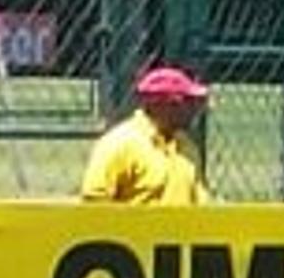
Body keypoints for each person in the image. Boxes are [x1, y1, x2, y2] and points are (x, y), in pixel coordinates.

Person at [78, 65, 213, 205]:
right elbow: (95, 199)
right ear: (160, 104)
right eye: (186, 102)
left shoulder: (187, 147)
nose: (194, 110)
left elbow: (200, 202)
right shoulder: (120, 143)